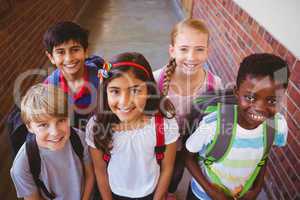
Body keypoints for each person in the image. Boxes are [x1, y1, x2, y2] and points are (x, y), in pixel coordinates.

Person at [185, 53, 290, 200]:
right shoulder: (213, 125)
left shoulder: (277, 127)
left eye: (272, 100)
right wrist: (212, 192)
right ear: (236, 92)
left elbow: (262, 155)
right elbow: (188, 157)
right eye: (250, 97)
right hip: (202, 195)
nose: (260, 108)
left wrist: (256, 189)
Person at [85, 52, 180, 200]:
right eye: (115, 91)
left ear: (149, 90)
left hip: (152, 192)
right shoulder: (96, 126)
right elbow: (100, 170)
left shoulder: (165, 124)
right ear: (105, 92)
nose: (124, 102)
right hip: (114, 192)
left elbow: (167, 168)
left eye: (135, 90)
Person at [153, 18, 223, 198]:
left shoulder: (214, 85)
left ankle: (169, 192)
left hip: (190, 145)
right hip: (158, 143)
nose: (191, 57)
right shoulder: (156, 80)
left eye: (199, 49)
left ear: (208, 51)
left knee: (175, 175)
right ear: (172, 51)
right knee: (154, 176)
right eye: (184, 49)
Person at [10, 83, 94, 200]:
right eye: (43, 125)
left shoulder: (79, 138)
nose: (55, 132)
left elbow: (90, 175)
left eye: (61, 120)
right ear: (29, 127)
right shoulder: (22, 165)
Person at [43, 21, 103, 129]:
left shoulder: (102, 79)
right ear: (51, 57)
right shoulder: (49, 86)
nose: (69, 58)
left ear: (86, 51)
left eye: (75, 50)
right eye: (60, 52)